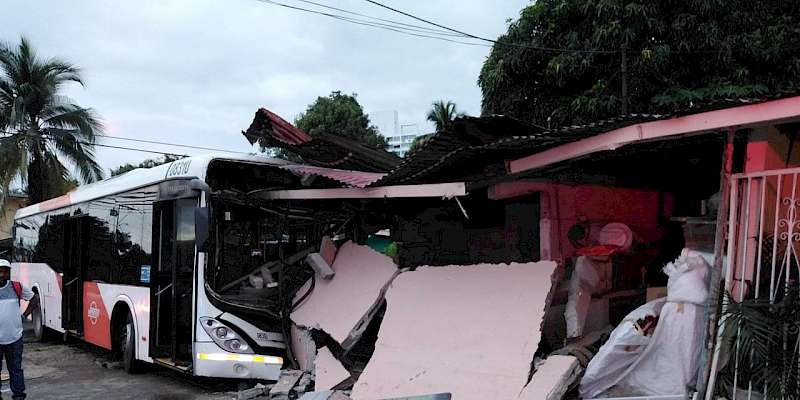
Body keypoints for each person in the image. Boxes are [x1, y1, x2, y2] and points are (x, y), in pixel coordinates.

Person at [0, 259, 38, 400]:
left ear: (9, 273)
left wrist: (25, 315)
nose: (1, 274)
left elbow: (34, 299)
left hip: (14, 338)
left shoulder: (17, 287)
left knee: (15, 370)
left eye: (5, 271)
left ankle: (19, 396)